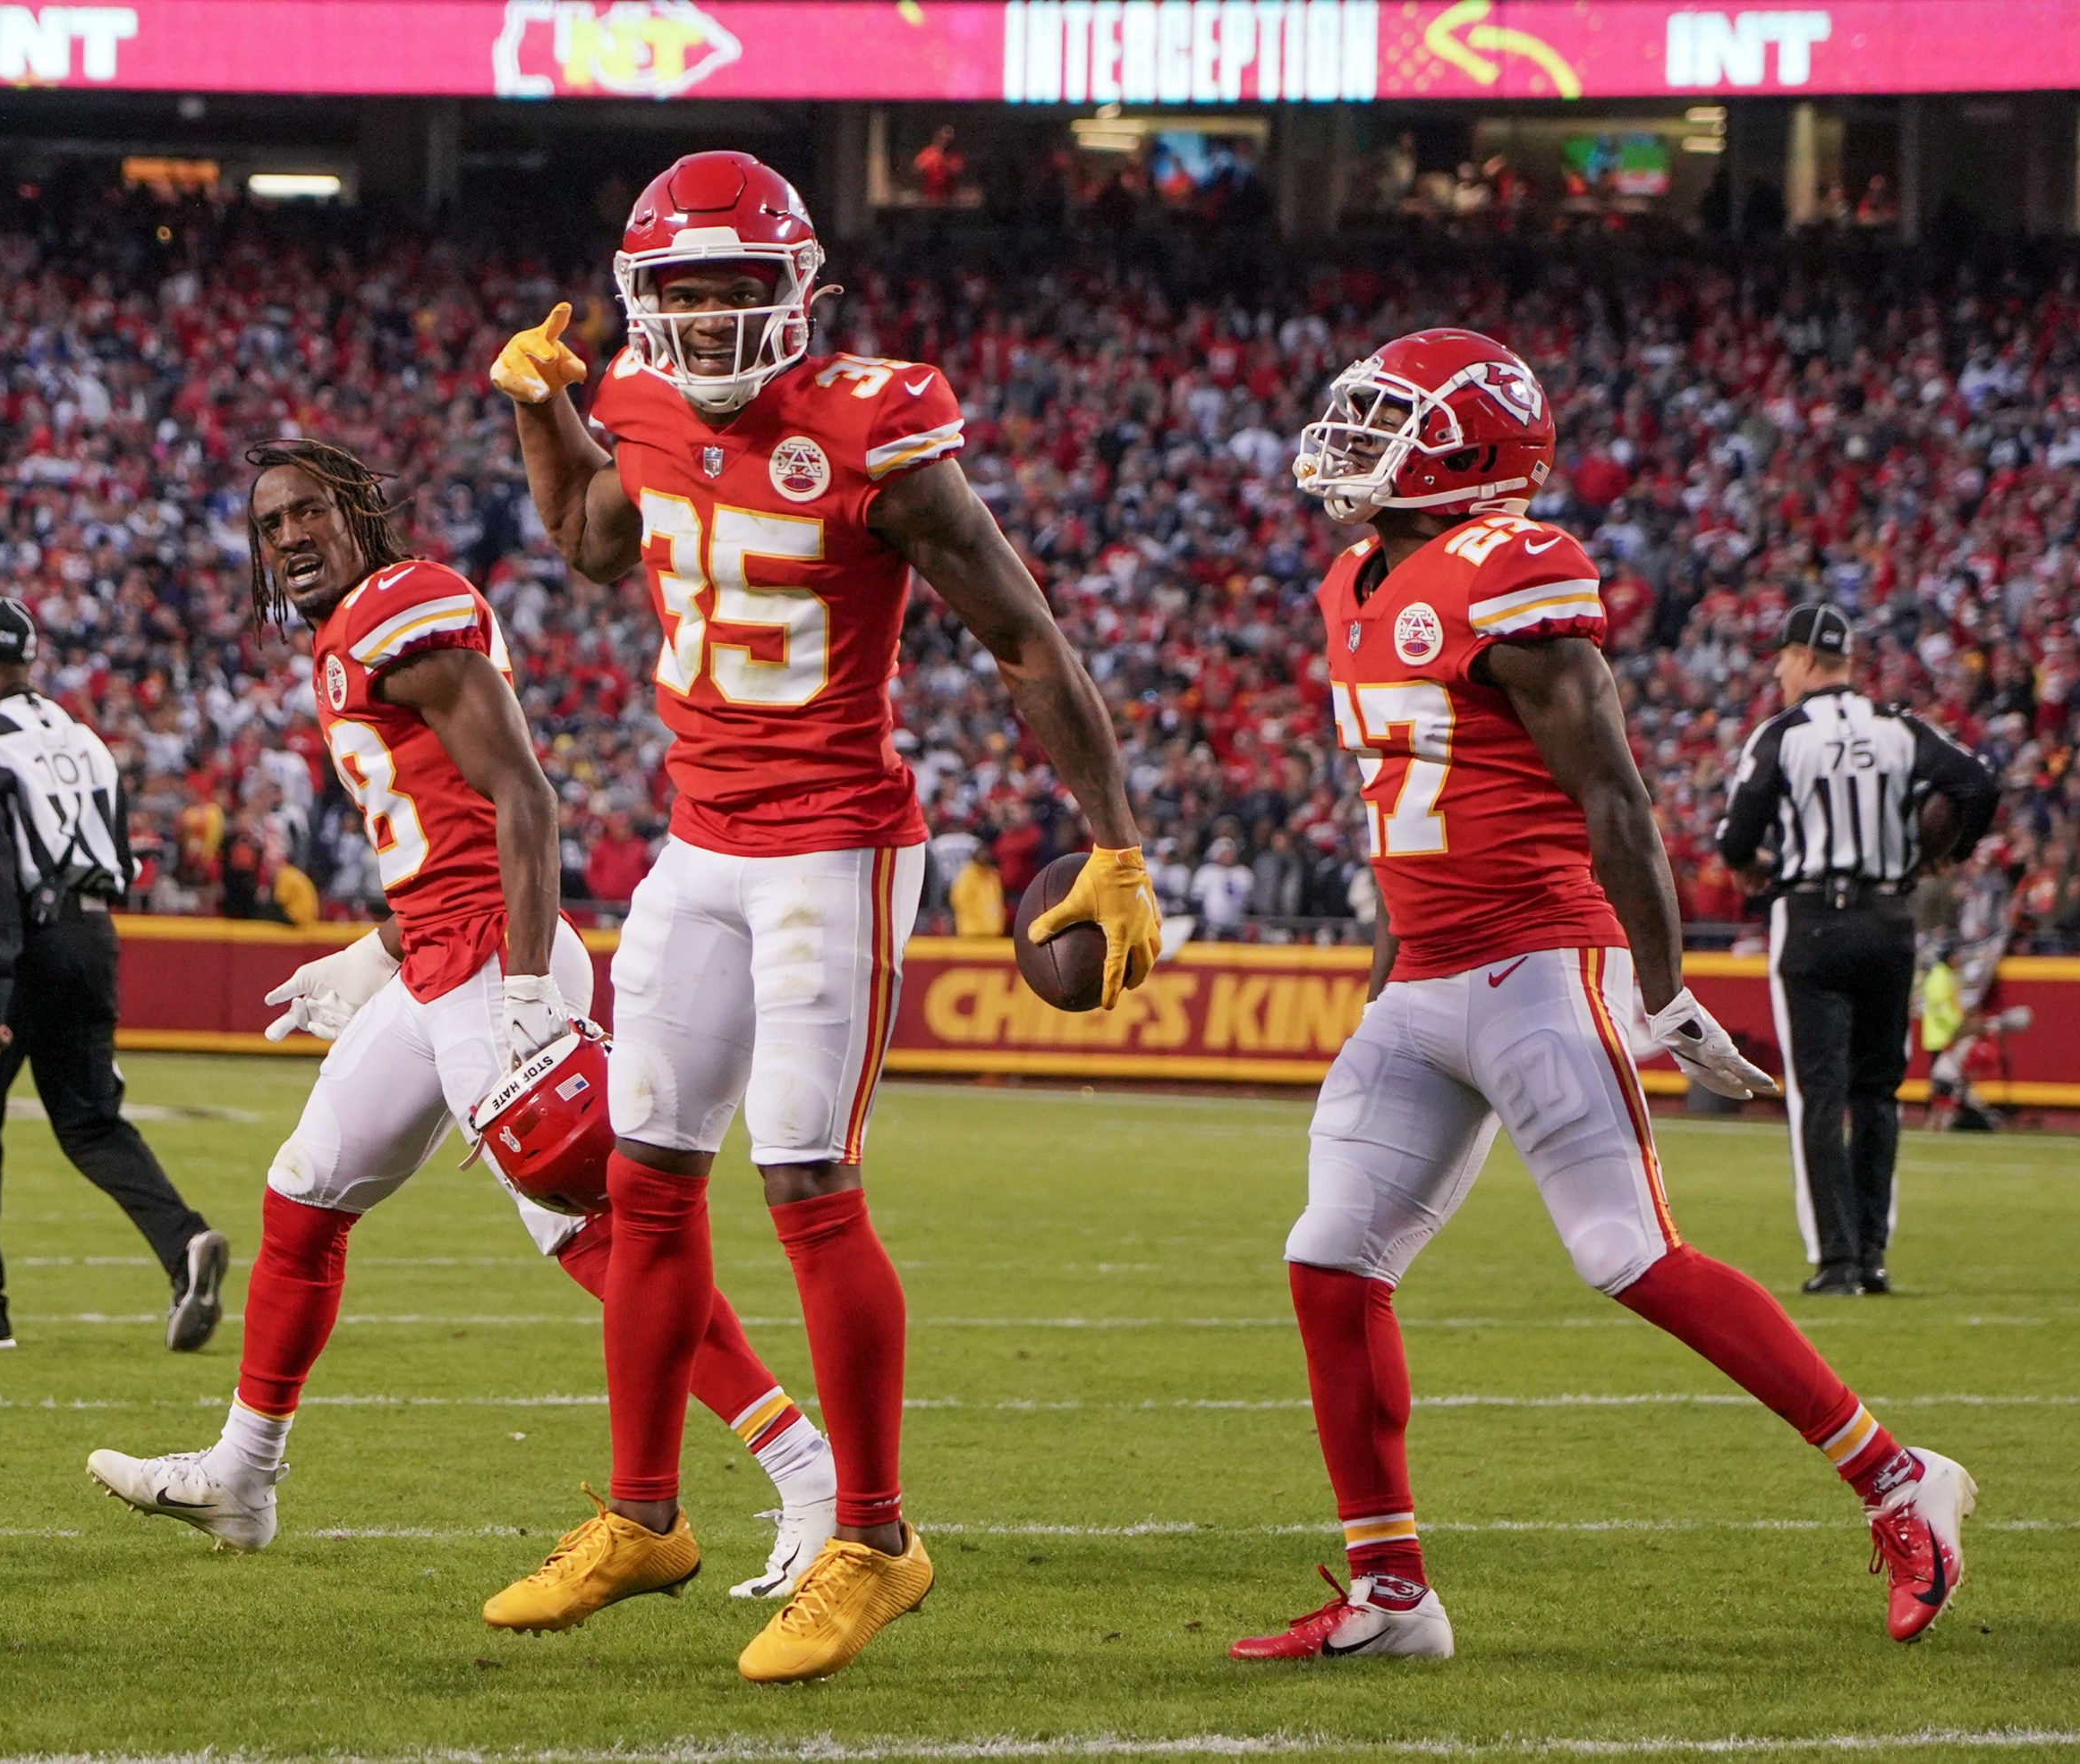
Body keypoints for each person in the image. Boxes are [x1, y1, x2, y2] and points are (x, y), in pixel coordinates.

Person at [495, 150, 1159, 1683]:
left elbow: (1023, 636)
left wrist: (1115, 840)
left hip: (833, 848)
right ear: (642, 307)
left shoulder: (877, 430)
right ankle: (646, 1516)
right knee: (646, 1178)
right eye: (687, 293)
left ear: (798, 293)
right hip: (697, 838)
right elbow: (593, 539)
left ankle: (873, 1538)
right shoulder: (643, 407)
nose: (717, 321)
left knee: (806, 1181)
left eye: (742, 289)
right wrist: (543, 412)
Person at [1232, 329, 1975, 1665]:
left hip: (1534, 961)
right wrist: (1383, 976)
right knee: (1329, 1259)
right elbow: (1407, 823)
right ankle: (1393, 1596)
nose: (1352, 439)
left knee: (1624, 1253)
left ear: (1465, 450)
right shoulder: (1356, 577)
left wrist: (1662, 983)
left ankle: (1900, 1480)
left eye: (1390, 419)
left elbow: (1614, 795)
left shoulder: (1509, 569)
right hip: (1429, 974)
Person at [84, 441, 840, 1602]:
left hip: (496, 966)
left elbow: (522, 796)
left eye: (306, 512)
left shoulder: (401, 608)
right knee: (304, 1188)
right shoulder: (348, 638)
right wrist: (374, 950)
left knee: (603, 1239)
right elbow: (437, 830)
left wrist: (532, 989)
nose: (286, 535)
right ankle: (242, 1471)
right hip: (439, 963)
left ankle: (809, 1476)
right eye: (268, 521)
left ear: (358, 511)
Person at [0, 597, 226, 1353]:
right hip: (93, 935)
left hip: (21, 942)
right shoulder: (83, 737)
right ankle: (184, 1246)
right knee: (91, 1121)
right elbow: (119, 853)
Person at [1716, 604, 1999, 1294]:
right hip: (1886, 919)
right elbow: (1978, 783)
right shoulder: (1899, 727)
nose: (1779, 670)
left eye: (1784, 657)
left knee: (1819, 1094)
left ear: (1807, 659)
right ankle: (1873, 1255)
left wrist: (1752, 862)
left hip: (1812, 918)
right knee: (1878, 1094)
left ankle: (1836, 1259)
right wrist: (1946, 852)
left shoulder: (1782, 735)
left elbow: (1734, 836)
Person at [947, 840, 1006, 937]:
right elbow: (958, 899)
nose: (984, 855)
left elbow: (998, 900)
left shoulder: (993, 875)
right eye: (981, 852)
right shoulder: (967, 875)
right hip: (971, 931)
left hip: (993, 930)